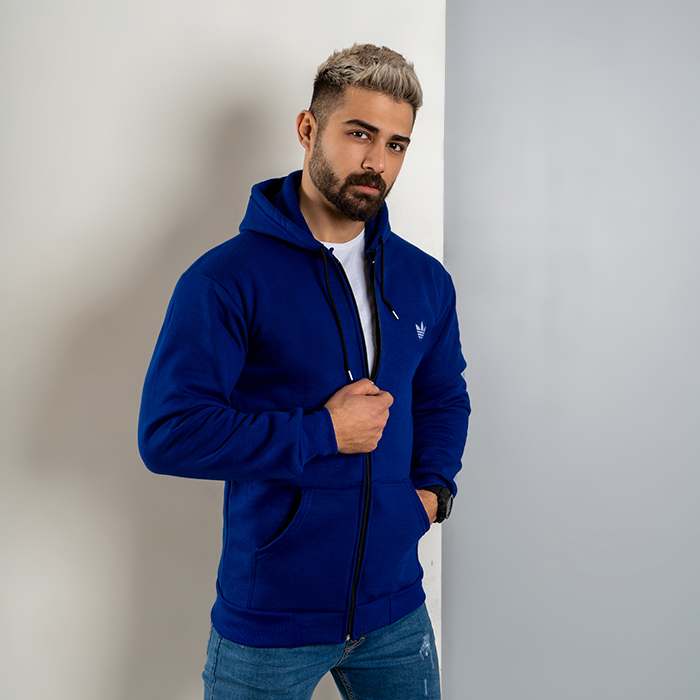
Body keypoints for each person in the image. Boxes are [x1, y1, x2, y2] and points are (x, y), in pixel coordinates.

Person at [138, 43, 470, 700]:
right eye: (360, 134)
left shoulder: (424, 279)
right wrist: (323, 432)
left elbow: (442, 397)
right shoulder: (226, 280)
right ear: (308, 128)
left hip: (396, 613)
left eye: (396, 144)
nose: (377, 162)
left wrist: (431, 494)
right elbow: (170, 433)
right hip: (270, 623)